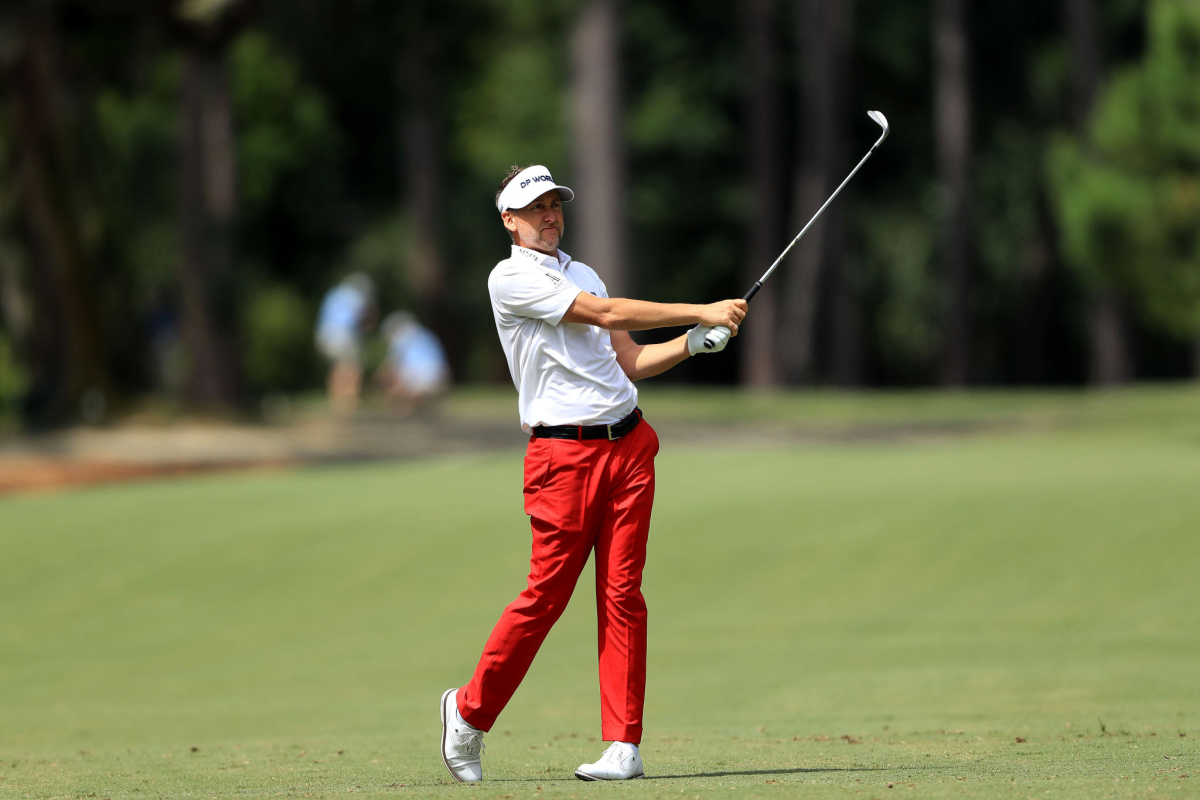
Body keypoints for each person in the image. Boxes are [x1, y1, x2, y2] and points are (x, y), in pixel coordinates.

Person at [440, 165, 746, 783]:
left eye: (555, 204)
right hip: (562, 460)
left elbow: (629, 359)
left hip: (629, 446)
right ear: (509, 220)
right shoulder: (511, 279)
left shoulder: (581, 272)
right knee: (545, 598)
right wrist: (699, 307)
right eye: (536, 208)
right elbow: (604, 315)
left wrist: (691, 343)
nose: (549, 216)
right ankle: (467, 712)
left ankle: (622, 746)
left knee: (624, 595)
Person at [315, 272, 376, 415]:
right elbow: (361, 319)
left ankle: (336, 400)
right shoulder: (356, 297)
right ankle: (350, 401)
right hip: (344, 334)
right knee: (353, 366)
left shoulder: (333, 293)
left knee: (337, 367)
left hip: (325, 333)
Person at [376, 310, 450, 414]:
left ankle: (405, 405)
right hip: (440, 374)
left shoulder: (402, 337)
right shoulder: (426, 334)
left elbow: (391, 364)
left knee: (391, 376)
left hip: (418, 375)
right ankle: (418, 404)